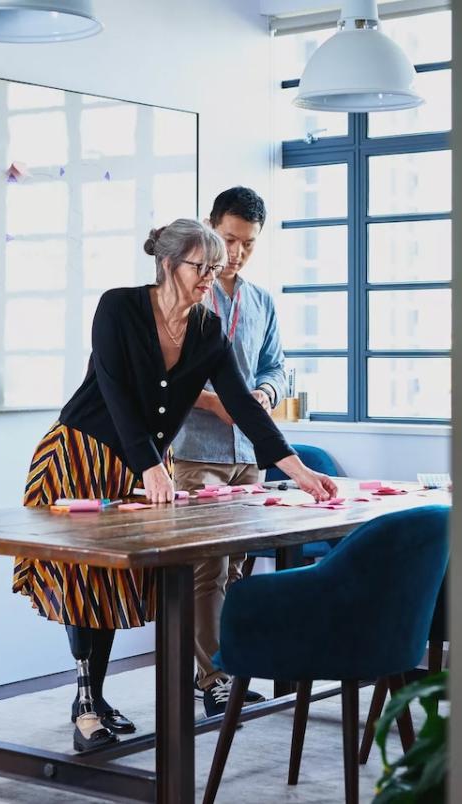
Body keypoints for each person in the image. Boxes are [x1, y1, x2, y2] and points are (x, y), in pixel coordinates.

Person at [15, 218, 338, 752]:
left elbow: (240, 403)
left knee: (115, 588)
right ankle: (87, 706)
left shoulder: (208, 329)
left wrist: (296, 468)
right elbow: (116, 393)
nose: (211, 276)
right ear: (167, 264)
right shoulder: (119, 308)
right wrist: (150, 463)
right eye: (201, 267)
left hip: (141, 465)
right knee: (84, 583)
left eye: (215, 268)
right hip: (79, 454)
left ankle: (91, 697)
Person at [170, 187, 287, 717]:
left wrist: (265, 393)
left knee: (238, 564)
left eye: (249, 244)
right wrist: (216, 403)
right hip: (197, 450)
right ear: (209, 227)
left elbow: (277, 366)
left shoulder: (261, 301)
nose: (237, 253)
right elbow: (162, 376)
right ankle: (214, 677)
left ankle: (226, 667)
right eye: (230, 239)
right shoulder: (188, 290)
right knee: (209, 567)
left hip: (248, 452)